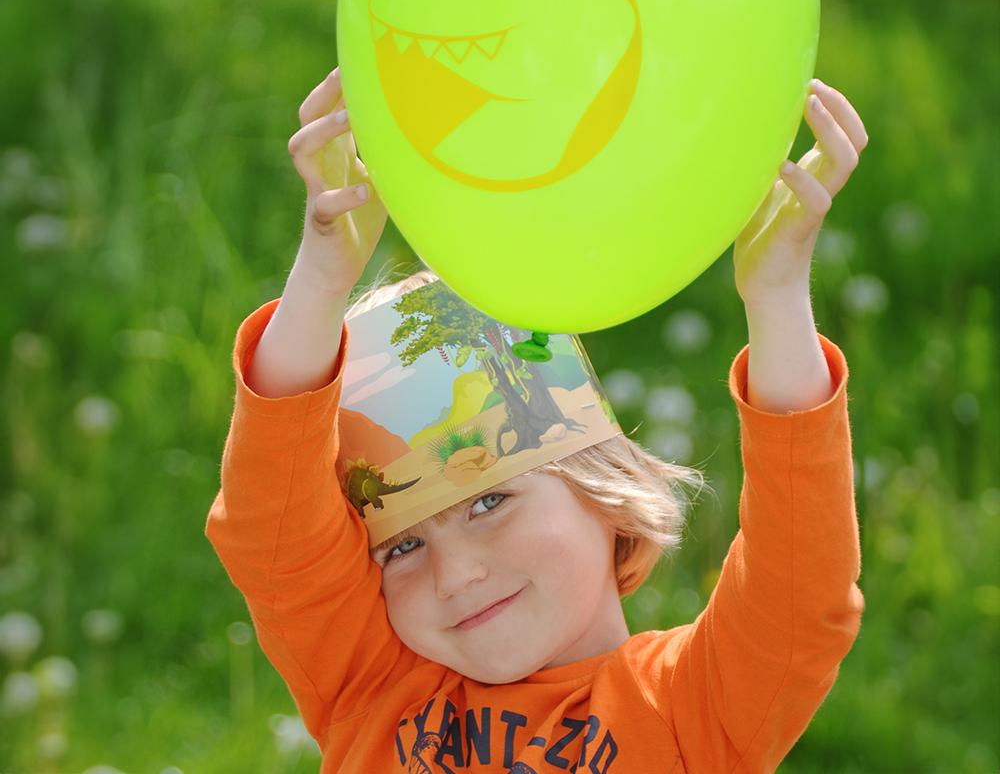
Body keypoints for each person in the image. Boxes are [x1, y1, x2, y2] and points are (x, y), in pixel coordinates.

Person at [205, 67, 868, 772]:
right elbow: (272, 529)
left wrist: (776, 297)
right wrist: (320, 279)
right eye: (400, 548)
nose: (454, 576)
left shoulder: (691, 711)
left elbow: (799, 589)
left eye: (490, 501)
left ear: (602, 486)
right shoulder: (374, 692)